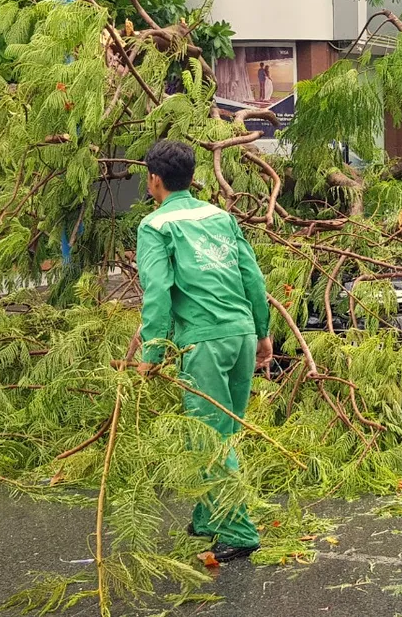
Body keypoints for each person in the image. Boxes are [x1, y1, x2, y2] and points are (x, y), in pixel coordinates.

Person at [136, 140, 271, 563]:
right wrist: (263, 333)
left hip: (205, 342)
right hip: (242, 335)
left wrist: (151, 353)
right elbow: (252, 277)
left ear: (154, 179)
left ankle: (238, 531)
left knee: (210, 437)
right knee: (224, 432)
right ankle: (208, 516)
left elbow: (157, 293)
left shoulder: (155, 227)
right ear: (193, 178)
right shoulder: (222, 217)